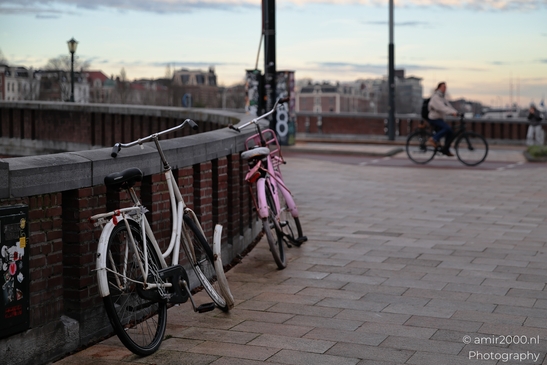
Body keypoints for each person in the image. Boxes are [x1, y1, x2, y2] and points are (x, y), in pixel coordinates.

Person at [427, 82, 458, 156]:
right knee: (447, 128)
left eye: (445, 87)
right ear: (439, 88)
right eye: (443, 87)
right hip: (434, 118)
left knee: (450, 132)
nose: (445, 88)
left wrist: (455, 112)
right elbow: (441, 108)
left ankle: (446, 149)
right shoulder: (436, 97)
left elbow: (448, 106)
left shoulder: (442, 97)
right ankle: (433, 139)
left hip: (439, 118)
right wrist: (452, 113)